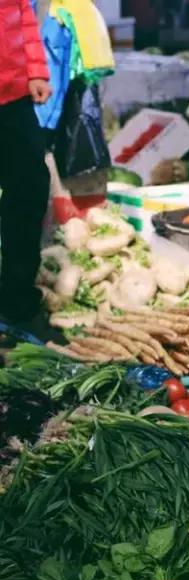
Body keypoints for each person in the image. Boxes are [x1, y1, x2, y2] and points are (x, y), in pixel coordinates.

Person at [0, 0, 52, 332]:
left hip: (13, 94)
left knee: (31, 185)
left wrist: (35, 71)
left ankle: (16, 299)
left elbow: (23, 15)